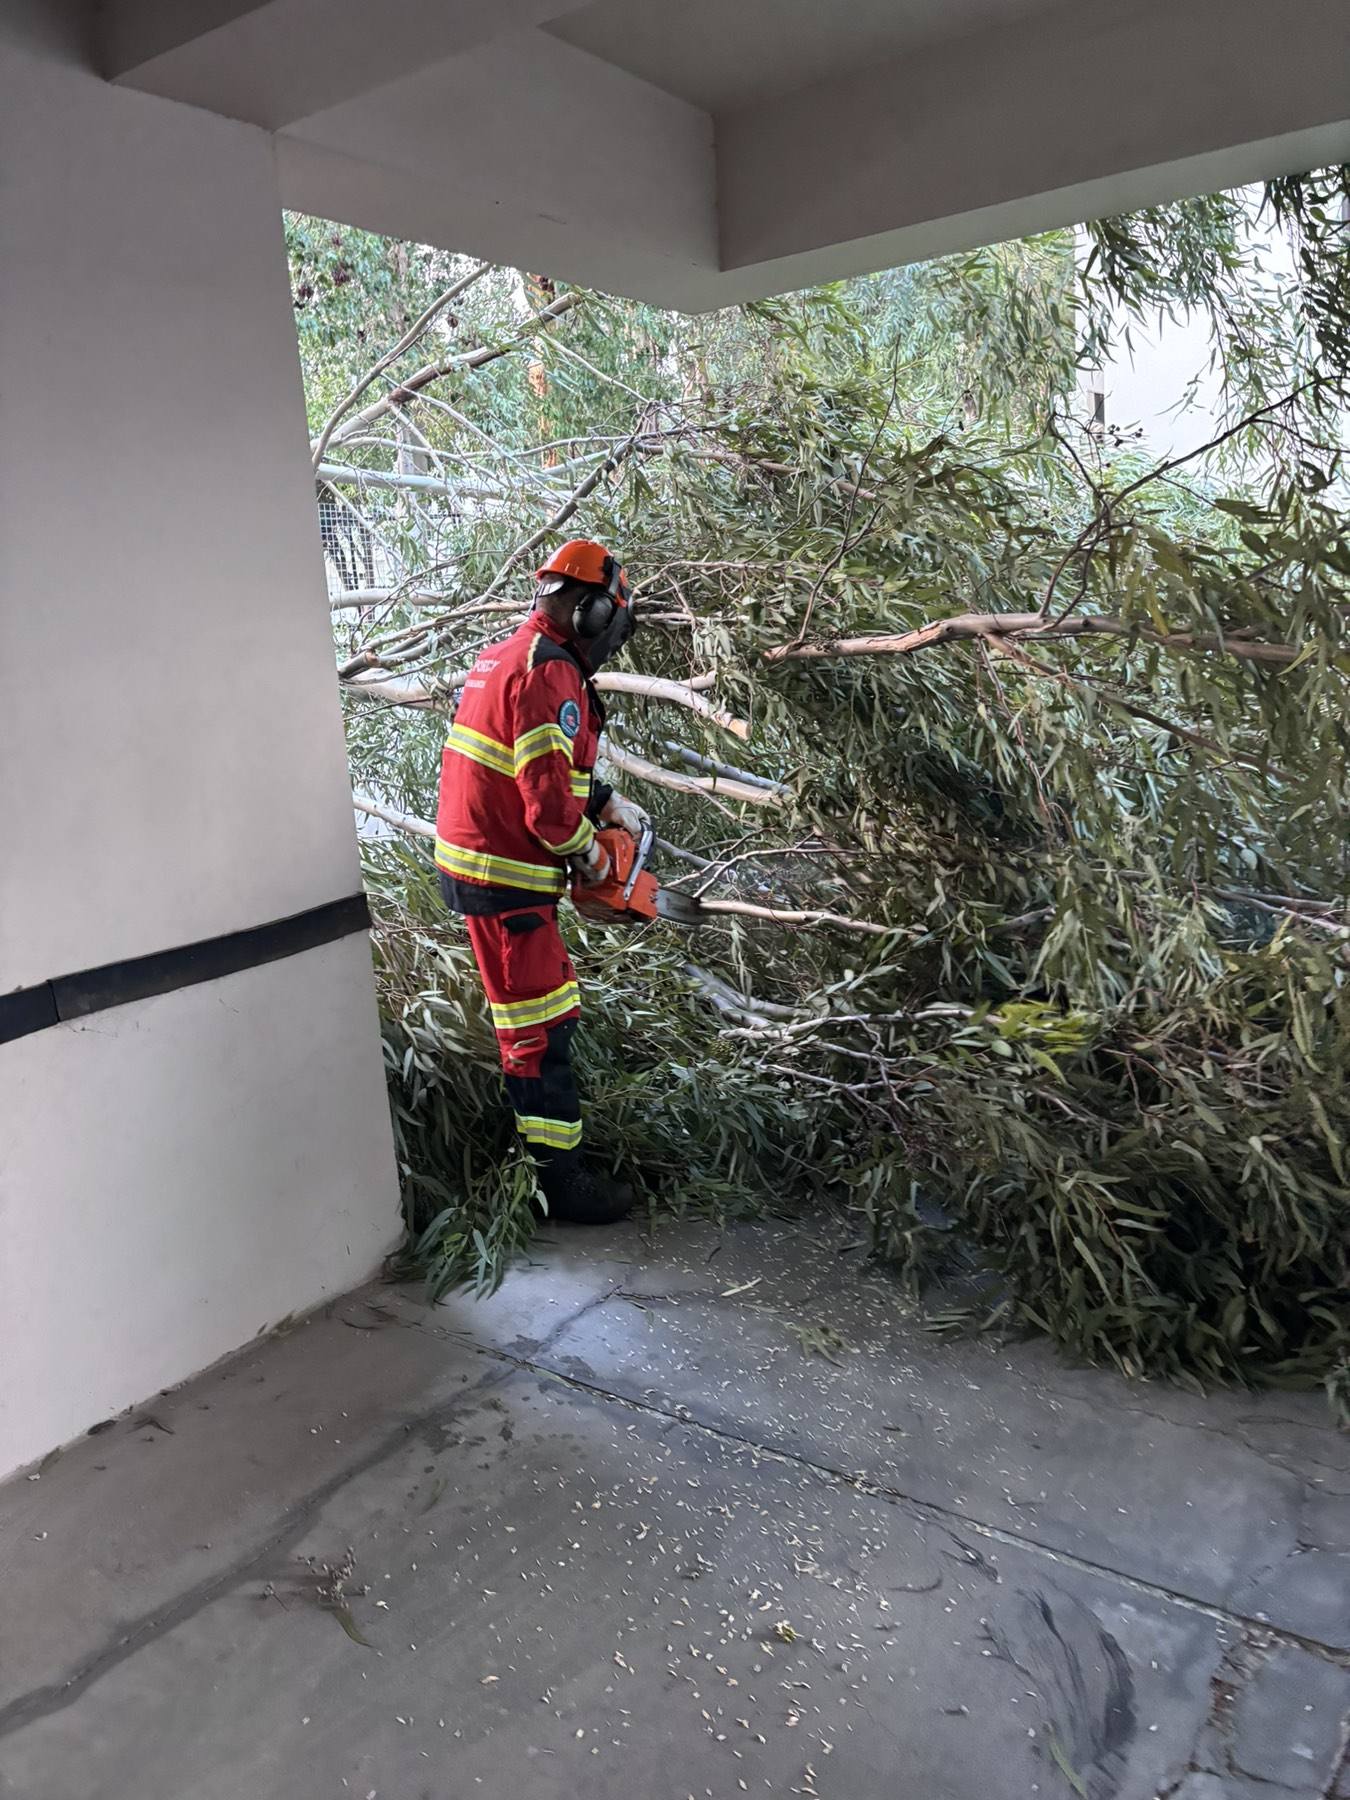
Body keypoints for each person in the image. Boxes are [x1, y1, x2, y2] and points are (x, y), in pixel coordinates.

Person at [434, 539, 650, 1223]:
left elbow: (539, 762)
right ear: (591, 612)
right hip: (503, 878)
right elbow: (548, 810)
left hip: (495, 868)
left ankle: (549, 1165)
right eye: (611, 620)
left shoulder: (516, 654)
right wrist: (593, 858)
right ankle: (559, 1183)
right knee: (538, 1032)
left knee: (544, 1018)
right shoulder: (547, 672)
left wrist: (604, 801)